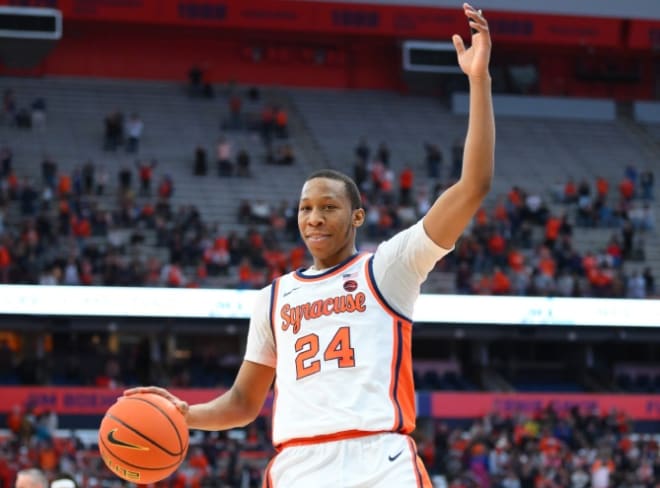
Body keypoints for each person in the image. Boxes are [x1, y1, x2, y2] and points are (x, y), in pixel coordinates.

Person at [125, 3, 494, 486]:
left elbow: (473, 186)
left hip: (379, 459)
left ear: (357, 215)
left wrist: (478, 79)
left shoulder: (388, 268)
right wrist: (181, 414)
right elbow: (242, 404)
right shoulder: (274, 297)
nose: (314, 217)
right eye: (305, 208)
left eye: (329, 207)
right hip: (298, 467)